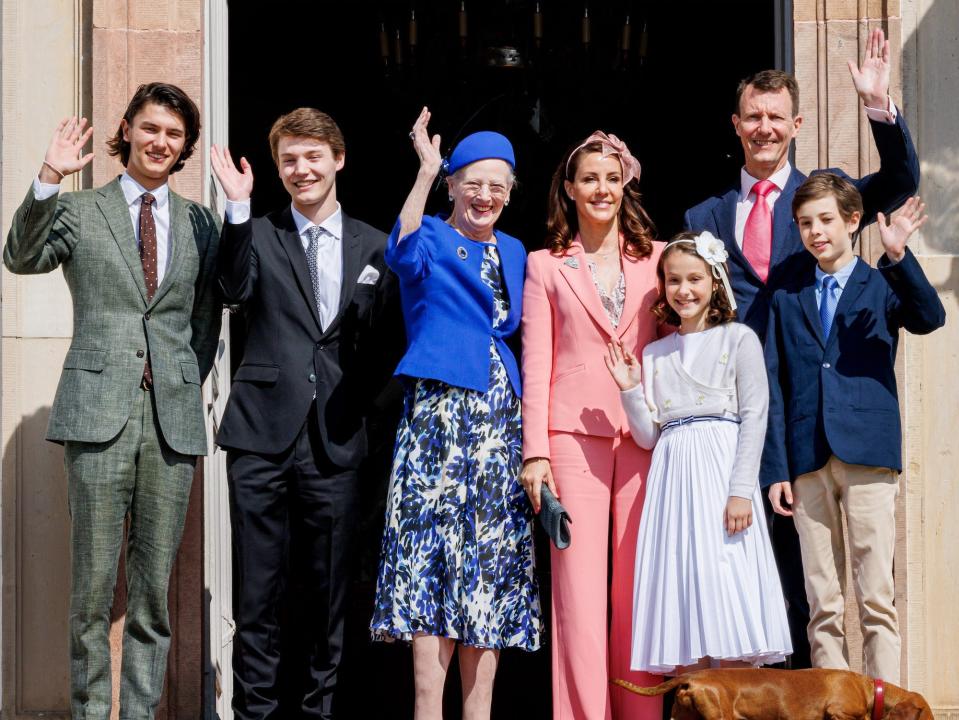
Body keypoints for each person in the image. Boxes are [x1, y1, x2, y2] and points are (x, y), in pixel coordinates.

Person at [683, 29, 920, 666]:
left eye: (775, 117)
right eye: (752, 117)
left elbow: (900, 178)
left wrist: (878, 107)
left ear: (796, 123)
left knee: (838, 579)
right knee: (755, 566)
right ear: (736, 124)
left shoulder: (825, 199)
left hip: (818, 410)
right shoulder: (705, 216)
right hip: (735, 414)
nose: (764, 128)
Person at [3, 83, 221, 718]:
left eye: (174, 135)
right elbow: (20, 256)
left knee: (154, 592)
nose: (160, 142)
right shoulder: (81, 209)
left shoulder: (200, 222)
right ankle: (92, 712)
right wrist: (48, 175)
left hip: (170, 424)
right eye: (150, 129)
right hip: (97, 417)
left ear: (184, 148)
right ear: (126, 131)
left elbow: (203, 322)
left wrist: (180, 381)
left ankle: (143, 710)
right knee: (93, 590)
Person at [211, 107, 397, 719]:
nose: (300, 170)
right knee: (258, 594)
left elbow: (388, 345)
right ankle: (255, 715)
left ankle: (320, 713)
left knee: (330, 599)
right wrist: (237, 211)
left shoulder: (376, 244)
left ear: (338, 160)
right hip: (261, 437)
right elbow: (233, 291)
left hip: (338, 440)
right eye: (289, 159)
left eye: (312, 157)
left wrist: (372, 423)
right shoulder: (259, 233)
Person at [370, 108, 542, 720]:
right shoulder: (433, 237)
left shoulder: (519, 251)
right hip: (439, 423)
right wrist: (423, 171)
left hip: (499, 422)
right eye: (473, 182)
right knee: (431, 563)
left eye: (498, 185)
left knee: (488, 571)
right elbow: (401, 252)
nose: (486, 195)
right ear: (452, 184)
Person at [762, 175, 945, 684]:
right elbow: (775, 386)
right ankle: (834, 707)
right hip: (806, 459)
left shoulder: (881, 282)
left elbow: (930, 317)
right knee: (821, 598)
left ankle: (884, 704)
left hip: (867, 454)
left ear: (850, 221)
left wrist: (898, 257)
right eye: (805, 224)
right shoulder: (786, 294)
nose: (815, 232)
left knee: (875, 596)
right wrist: (777, 468)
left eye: (825, 220)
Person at [520, 131, 662, 720]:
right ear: (570, 190)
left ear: (624, 181)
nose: (601, 189)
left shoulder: (659, 259)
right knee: (578, 594)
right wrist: (535, 453)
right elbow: (536, 363)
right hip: (570, 439)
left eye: (611, 177)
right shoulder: (545, 265)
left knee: (636, 589)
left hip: (645, 437)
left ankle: (641, 713)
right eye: (589, 179)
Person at [604, 232, 792, 674]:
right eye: (672, 281)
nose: (683, 290)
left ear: (714, 281)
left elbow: (756, 416)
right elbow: (649, 436)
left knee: (727, 585)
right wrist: (631, 388)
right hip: (673, 481)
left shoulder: (738, 339)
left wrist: (742, 489)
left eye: (694, 279)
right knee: (684, 592)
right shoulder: (655, 353)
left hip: (721, 472)